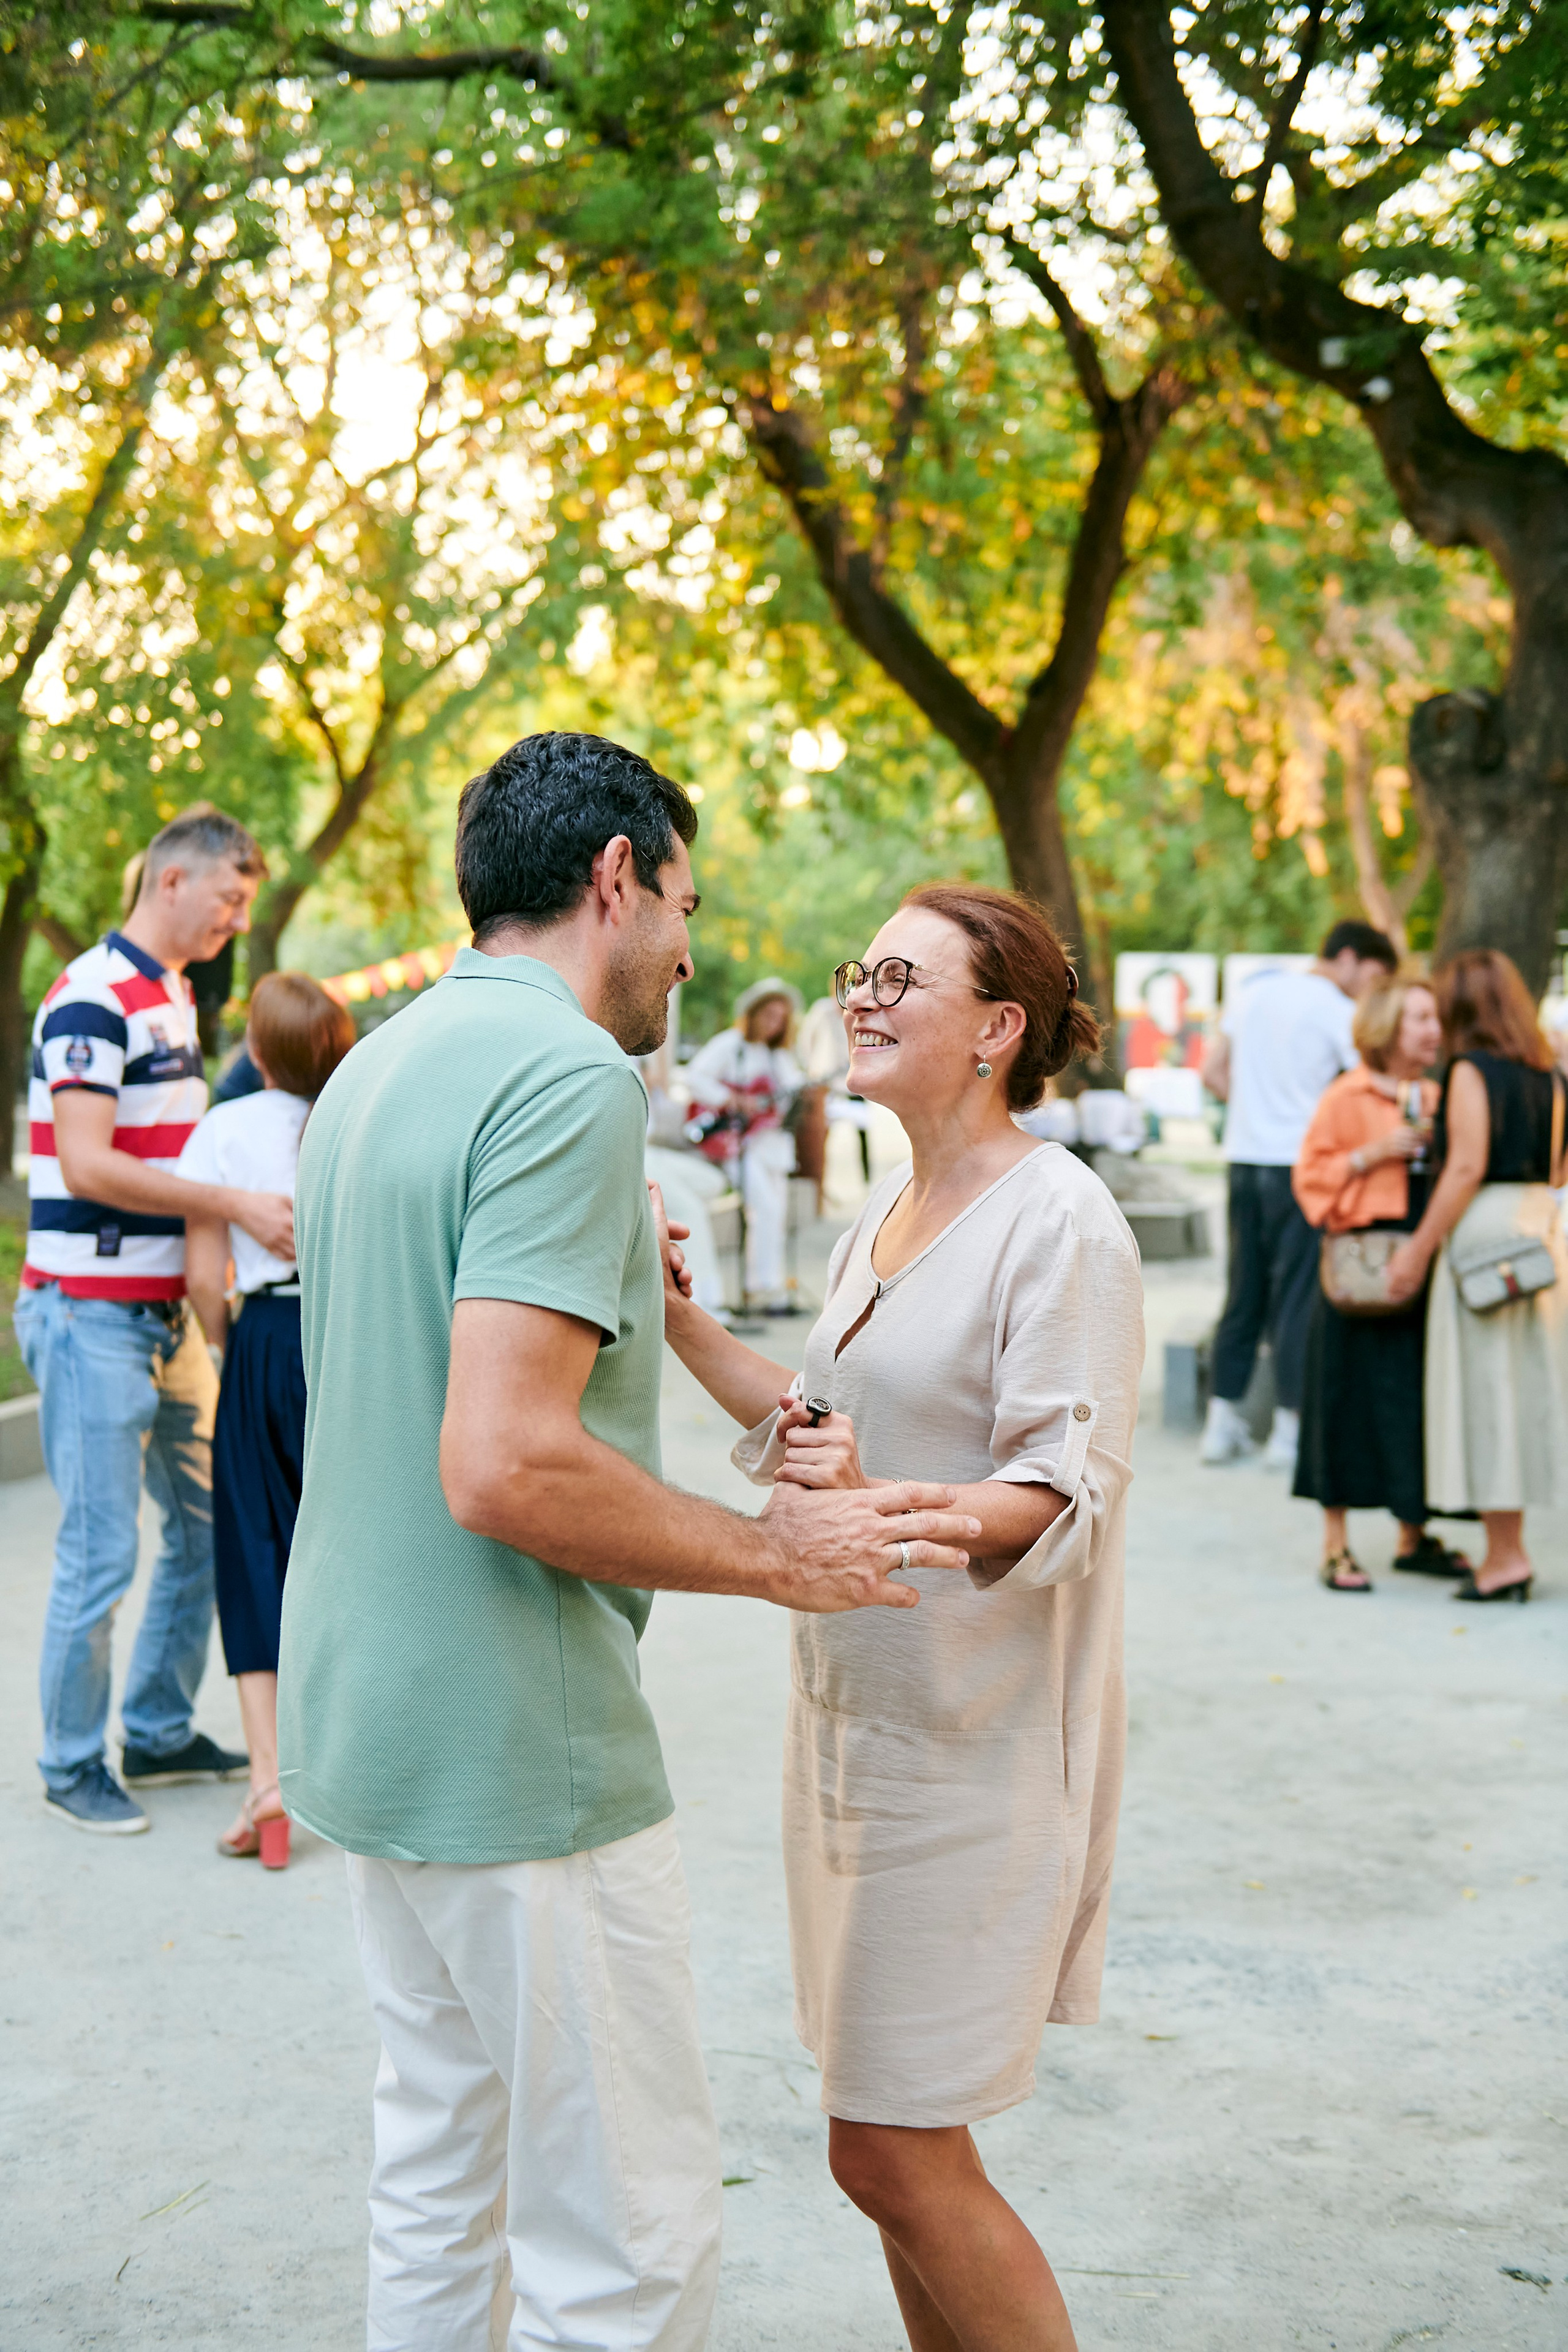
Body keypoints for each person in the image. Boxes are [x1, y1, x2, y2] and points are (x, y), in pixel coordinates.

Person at [275, 733, 979, 2352]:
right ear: (617, 878)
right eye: (685, 904)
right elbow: (504, 1461)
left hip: (369, 1716)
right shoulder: (572, 1077)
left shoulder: (377, 1067)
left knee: (436, 2182)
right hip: (519, 1745)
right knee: (628, 2246)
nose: (688, 951)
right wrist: (777, 1556)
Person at [658, 883, 1143, 2352]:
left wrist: (887, 1506)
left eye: (897, 978)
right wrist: (676, 1317)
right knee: (880, 2149)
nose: (858, 998)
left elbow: (1059, 1488)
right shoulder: (883, 1204)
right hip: (851, 1734)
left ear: (997, 1028)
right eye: (855, 969)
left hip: (973, 1747)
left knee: (889, 2148)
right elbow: (823, 1426)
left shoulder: (1058, 1217)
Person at [13, 809, 295, 1837]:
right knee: (101, 1553)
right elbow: (88, 1165)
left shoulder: (172, 993)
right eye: (231, 899)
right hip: (88, 1316)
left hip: (166, 1318)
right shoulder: (91, 995)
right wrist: (234, 1207)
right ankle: (70, 1763)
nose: (239, 921)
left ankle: (159, 1728)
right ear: (172, 881)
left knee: (205, 1527)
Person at [178, 973, 356, 1868]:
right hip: (351, 1338)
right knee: (353, 1543)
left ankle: (269, 1784)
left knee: (255, 1548)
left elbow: (202, 1276)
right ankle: (359, 1768)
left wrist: (229, 1348)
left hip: (263, 1337)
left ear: (257, 1051)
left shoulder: (224, 1128)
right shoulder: (359, 1119)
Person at [1384, 949, 1568, 1602]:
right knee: (1523, 1394)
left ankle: (1505, 1558)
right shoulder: (1550, 1074)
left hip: (1483, 1235)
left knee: (1486, 1396)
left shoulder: (1470, 1071)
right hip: (1538, 1233)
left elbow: (1465, 1167)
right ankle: (1509, 1551)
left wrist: (1417, 1251)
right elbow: (1558, 1169)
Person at [1291, 973, 1472, 1592]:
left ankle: (1412, 1535)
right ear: (1388, 1028)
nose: (1434, 1030)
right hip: (1360, 1267)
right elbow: (1309, 1178)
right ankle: (1335, 1545)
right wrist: (1374, 1153)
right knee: (1341, 1399)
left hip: (1421, 1259)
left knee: (1415, 1396)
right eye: (1420, 1018)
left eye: (1434, 1018)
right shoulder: (1347, 1095)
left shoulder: (1442, 1095)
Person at [1200, 921, 1399, 1471]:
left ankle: (1221, 1424)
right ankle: (1288, 1433)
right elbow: (1363, 1088)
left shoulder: (1254, 993)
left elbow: (1213, 1072)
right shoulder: (1338, 1011)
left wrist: (1254, 1113)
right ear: (1351, 958)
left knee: (1243, 1291)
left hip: (1244, 1160)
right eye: (1374, 975)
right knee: (1295, 1298)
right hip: (1301, 1169)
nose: (1370, 990)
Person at [683, 976, 804, 1310]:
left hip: (769, 1145)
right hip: (734, 1142)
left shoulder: (778, 1056)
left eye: (780, 1019)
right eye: (769, 1015)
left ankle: (769, 1284)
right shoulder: (730, 1045)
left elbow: (791, 1092)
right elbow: (695, 1077)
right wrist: (732, 1099)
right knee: (763, 1206)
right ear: (754, 1012)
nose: (773, 1024)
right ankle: (760, 1285)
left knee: (776, 1211)